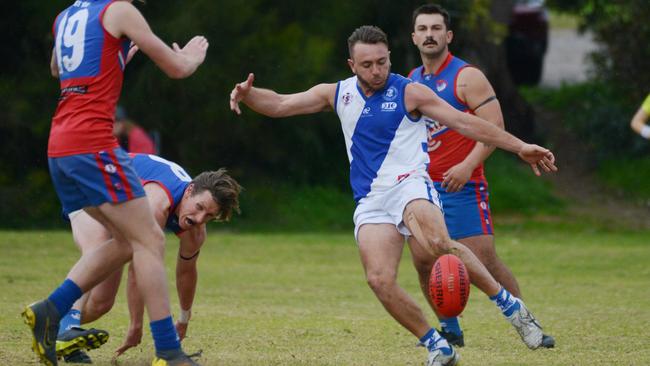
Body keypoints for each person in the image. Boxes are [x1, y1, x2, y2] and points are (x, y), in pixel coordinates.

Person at [229, 25, 556, 366]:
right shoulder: (337, 93)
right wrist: (249, 95)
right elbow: (281, 103)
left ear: (389, 58)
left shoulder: (409, 92)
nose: (376, 70)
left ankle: (512, 308)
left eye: (382, 62)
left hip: (410, 184)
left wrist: (520, 147)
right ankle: (437, 345)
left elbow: (465, 123)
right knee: (379, 280)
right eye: (367, 64)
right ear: (351, 65)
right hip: (371, 200)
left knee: (438, 242)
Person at [23, 0, 208, 365]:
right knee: (150, 238)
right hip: (93, 144)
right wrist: (191, 57)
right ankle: (169, 351)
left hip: (60, 144)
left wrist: (114, 59)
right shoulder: (119, 10)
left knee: (126, 241)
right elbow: (176, 68)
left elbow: (60, 69)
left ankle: (52, 311)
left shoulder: (66, 16)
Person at [406, 4, 554, 348]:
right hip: (425, 188)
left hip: (464, 185)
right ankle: (450, 329)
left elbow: (494, 128)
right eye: (423, 29)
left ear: (448, 35)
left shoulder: (467, 77)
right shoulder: (412, 80)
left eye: (436, 28)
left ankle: (526, 322)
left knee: (482, 261)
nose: (430, 34)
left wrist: (468, 165)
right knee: (424, 262)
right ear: (414, 37)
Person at [55, 154, 241, 363]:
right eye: (199, 207)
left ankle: (50, 320)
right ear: (189, 190)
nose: (199, 219)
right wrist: (136, 324)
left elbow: (186, 272)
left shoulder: (195, 230)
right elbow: (139, 267)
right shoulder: (156, 203)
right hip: (89, 180)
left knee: (101, 303)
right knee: (97, 245)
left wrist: (184, 318)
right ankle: (66, 328)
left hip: (116, 203)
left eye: (208, 216)